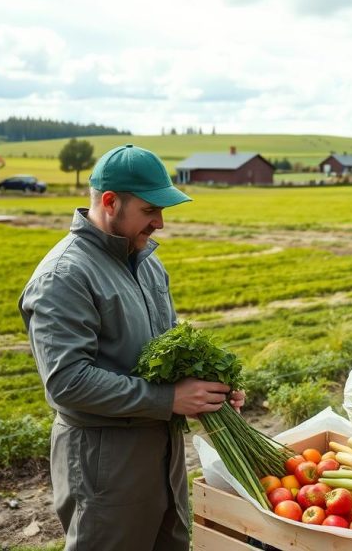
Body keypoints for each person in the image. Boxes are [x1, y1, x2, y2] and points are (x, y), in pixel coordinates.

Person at [19, 144, 244, 551]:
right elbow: (67, 383)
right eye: (149, 210)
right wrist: (169, 398)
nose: (160, 222)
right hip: (106, 466)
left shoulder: (146, 262)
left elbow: (169, 354)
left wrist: (211, 391)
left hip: (162, 457)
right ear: (110, 202)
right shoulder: (65, 276)